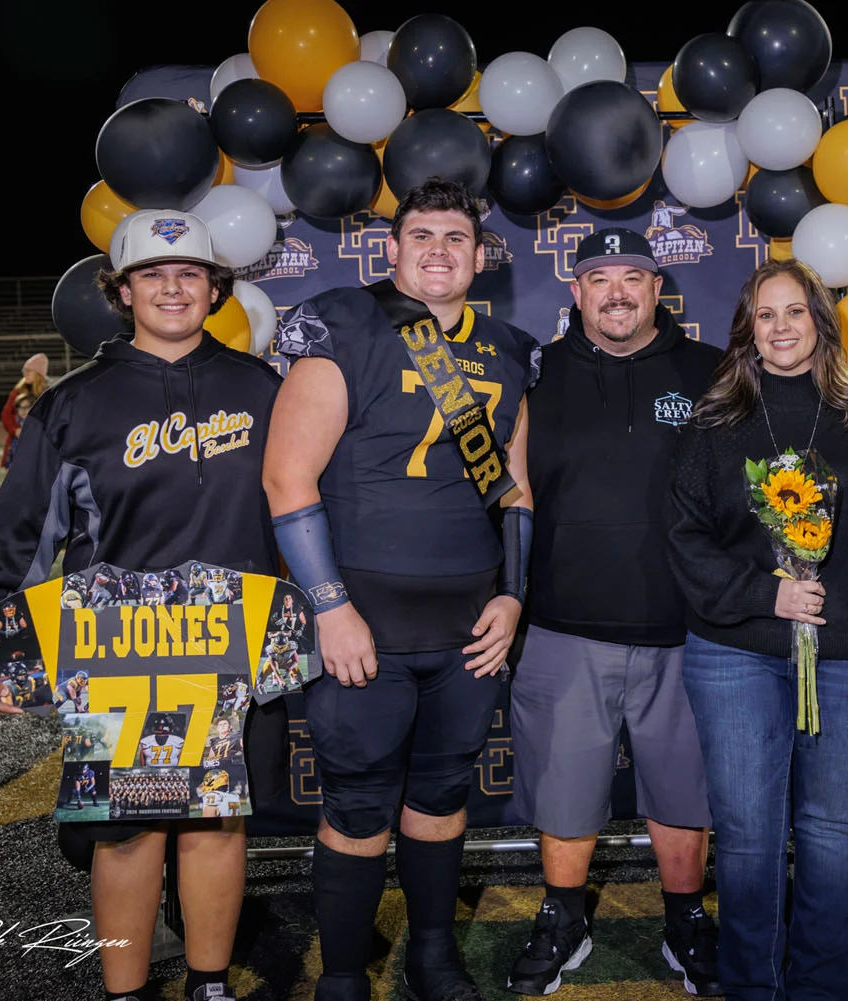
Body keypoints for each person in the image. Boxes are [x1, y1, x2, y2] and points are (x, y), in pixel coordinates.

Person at [0, 209, 287, 1001]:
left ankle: (209, 985)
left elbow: (302, 515)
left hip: (230, 649)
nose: (172, 287)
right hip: (119, 655)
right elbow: (18, 536)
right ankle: (123, 992)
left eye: (190, 273)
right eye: (153, 275)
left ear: (215, 287)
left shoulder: (261, 389)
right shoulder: (74, 405)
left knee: (215, 824)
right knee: (127, 836)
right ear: (123, 290)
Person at [262, 178, 537, 1001]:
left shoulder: (512, 348)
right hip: (364, 626)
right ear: (393, 249)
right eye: (422, 236)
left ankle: (431, 955)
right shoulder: (347, 322)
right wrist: (330, 606)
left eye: (457, 237)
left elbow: (515, 491)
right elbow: (287, 477)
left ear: (480, 255)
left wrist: (513, 596)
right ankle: (343, 974)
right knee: (356, 804)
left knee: (444, 794)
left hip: (467, 628)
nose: (439, 251)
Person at [666, 258, 848, 1001]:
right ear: (747, 331)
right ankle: (750, 988)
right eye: (765, 315)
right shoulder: (715, 419)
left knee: (835, 835)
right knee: (747, 839)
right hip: (739, 650)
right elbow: (684, 537)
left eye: (795, 312)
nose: (780, 327)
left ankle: (823, 988)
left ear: (820, 322)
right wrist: (762, 596)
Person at [504, 228, 724, 997]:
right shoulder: (534, 375)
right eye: (601, 277)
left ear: (659, 287)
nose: (618, 291)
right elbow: (511, 497)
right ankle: (564, 916)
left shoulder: (710, 371)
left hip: (689, 628)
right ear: (576, 290)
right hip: (564, 624)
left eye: (635, 276)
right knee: (564, 789)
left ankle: (686, 920)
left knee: (684, 788)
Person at [1, 352, 49, 469]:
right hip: (19, 442)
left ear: (38, 374)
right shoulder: (18, 391)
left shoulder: (47, 392)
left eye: (29, 371)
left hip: (40, 442)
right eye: (25, 371)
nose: (25, 374)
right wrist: (15, 430)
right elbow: (6, 414)